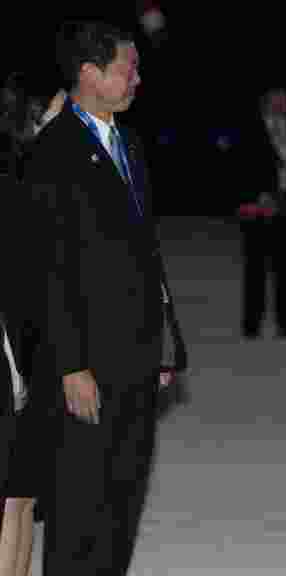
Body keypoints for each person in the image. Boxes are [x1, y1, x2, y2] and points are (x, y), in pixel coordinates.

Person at [23, 20, 185, 575]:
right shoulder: (52, 151)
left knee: (123, 500)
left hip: (135, 355)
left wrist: (164, 342)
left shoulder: (127, 142)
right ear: (89, 73)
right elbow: (46, 268)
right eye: (128, 68)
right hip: (86, 362)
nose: (138, 79)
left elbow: (143, 252)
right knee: (79, 508)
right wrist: (70, 364)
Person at [0, 71, 65, 576]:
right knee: (11, 501)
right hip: (13, 353)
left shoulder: (31, 184)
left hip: (31, 353)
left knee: (20, 498)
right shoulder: (19, 185)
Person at [238, 87, 286, 339]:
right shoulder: (249, 130)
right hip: (259, 209)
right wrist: (257, 195)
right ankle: (251, 326)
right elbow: (240, 166)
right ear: (265, 102)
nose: (282, 105)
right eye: (277, 101)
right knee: (256, 270)